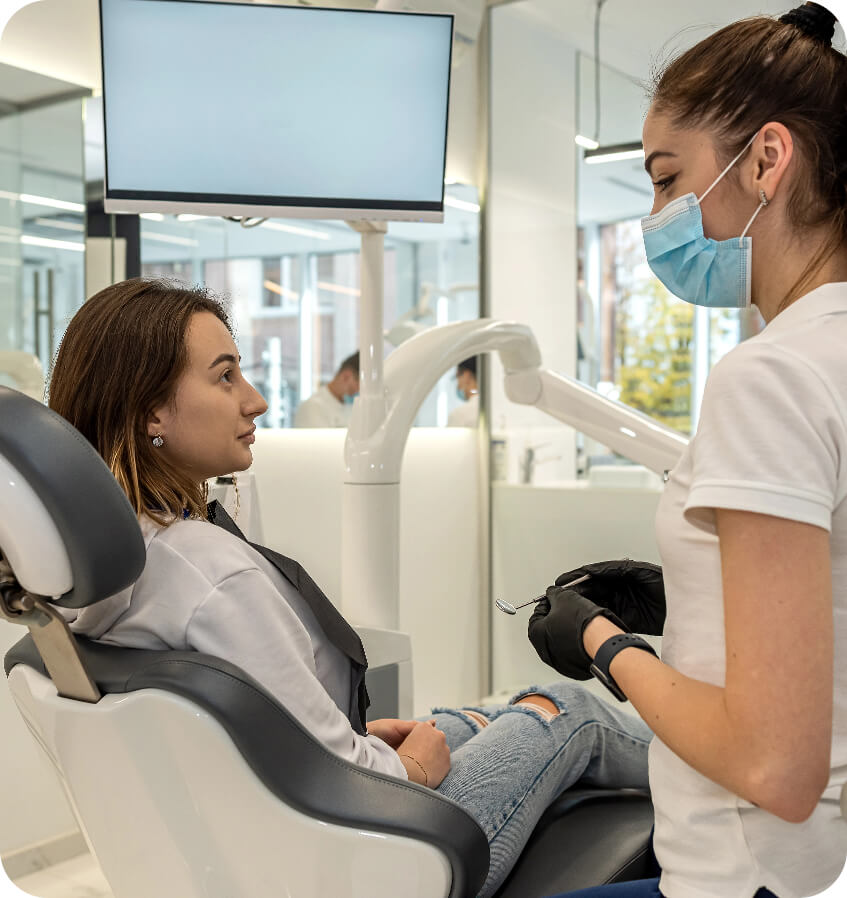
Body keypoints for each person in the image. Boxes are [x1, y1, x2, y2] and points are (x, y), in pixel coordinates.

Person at [47, 277, 652, 898]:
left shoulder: (94, 590)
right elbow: (346, 775)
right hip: (377, 860)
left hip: (264, 845)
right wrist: (405, 767)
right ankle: (729, 781)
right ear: (150, 409)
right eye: (225, 376)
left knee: (469, 717)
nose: (253, 400)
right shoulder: (209, 575)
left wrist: (372, 745)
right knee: (565, 710)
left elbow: (272, 744)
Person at [528, 4, 847, 897]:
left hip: (742, 873)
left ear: (766, 160)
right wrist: (697, 600)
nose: (658, 214)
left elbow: (772, 765)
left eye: (667, 180)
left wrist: (600, 640)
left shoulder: (771, 377)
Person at [293, 351, 359, 427]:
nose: (358, 391)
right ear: (346, 376)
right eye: (357, 385)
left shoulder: (350, 406)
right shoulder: (313, 407)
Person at [448, 356, 480, 427]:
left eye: (457, 377)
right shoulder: (495, 409)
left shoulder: (459, 414)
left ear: (466, 376)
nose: (458, 386)